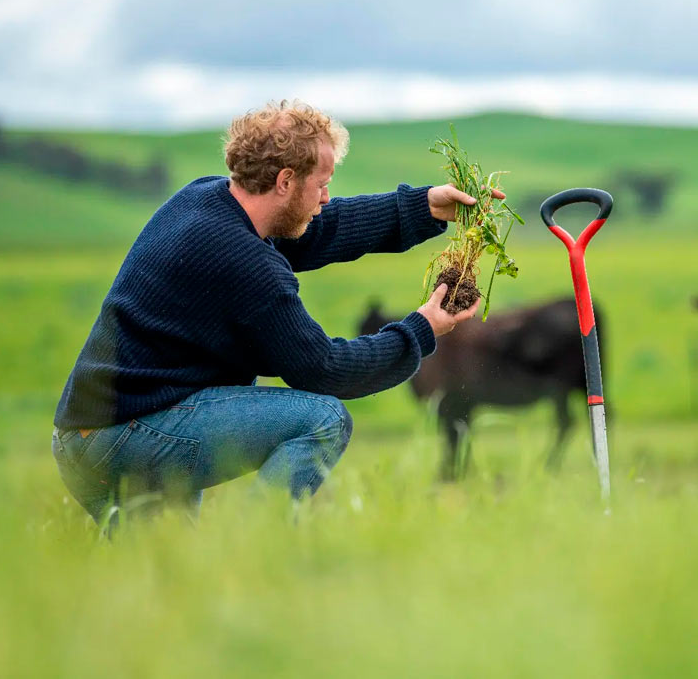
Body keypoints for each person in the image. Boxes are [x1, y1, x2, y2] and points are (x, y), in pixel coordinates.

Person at [51, 100, 498, 528]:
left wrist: (424, 207)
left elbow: (319, 230)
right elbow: (326, 371)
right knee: (323, 419)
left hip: (92, 435)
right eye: (321, 184)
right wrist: (422, 330)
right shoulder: (246, 262)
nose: (326, 196)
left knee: (165, 580)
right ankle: (257, 546)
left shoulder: (208, 200)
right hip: (128, 437)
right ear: (285, 180)